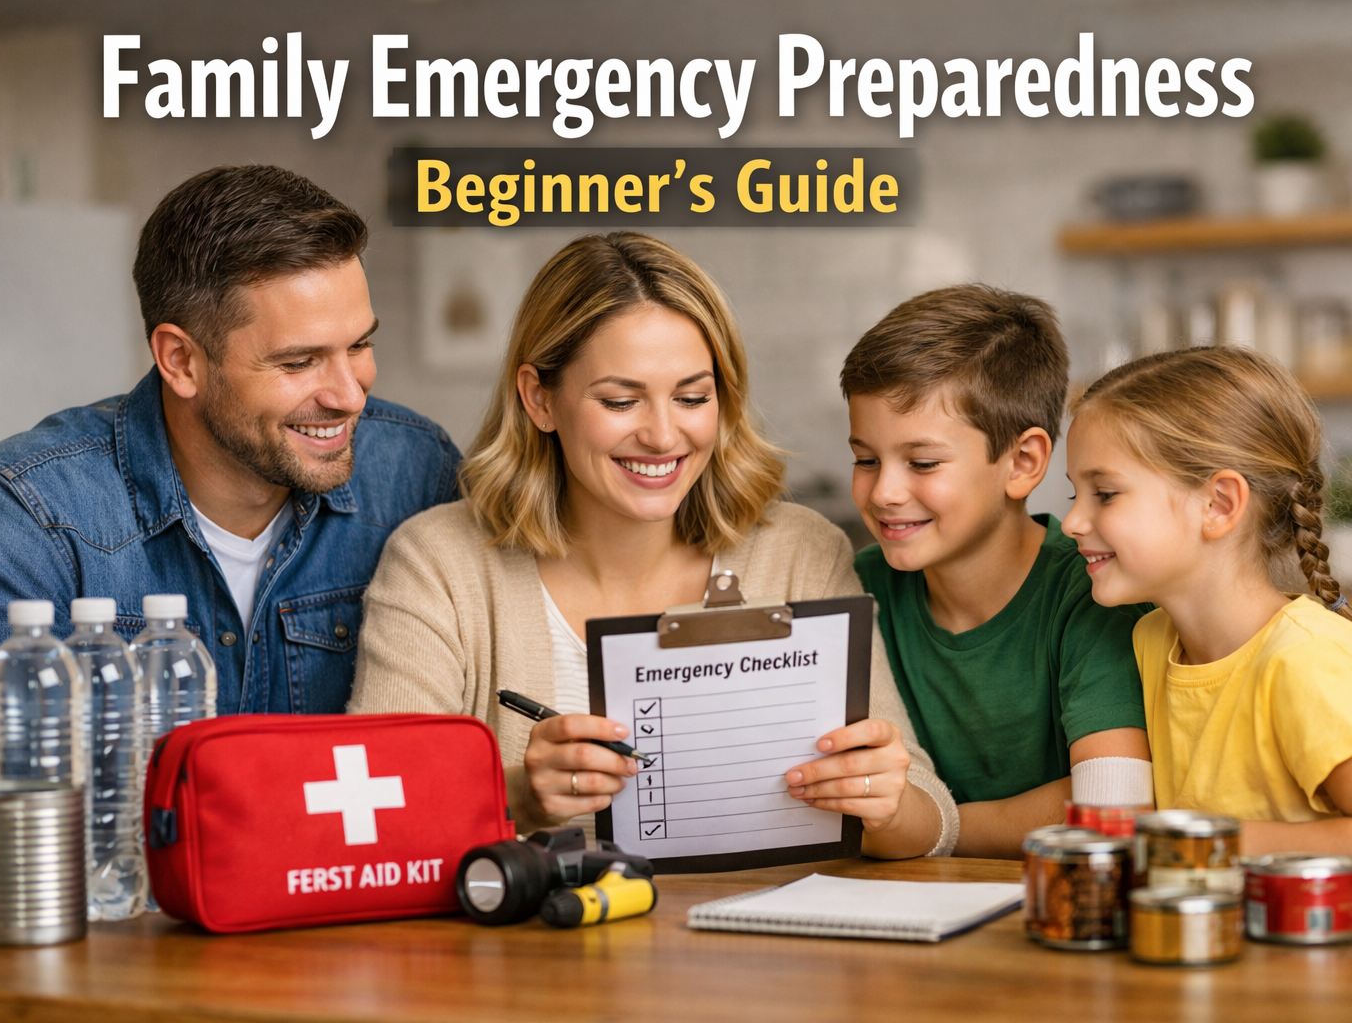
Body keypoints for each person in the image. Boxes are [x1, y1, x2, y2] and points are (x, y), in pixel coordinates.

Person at [349, 231, 958, 855]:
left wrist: (885, 802)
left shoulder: (801, 553)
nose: (664, 435)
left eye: (693, 397)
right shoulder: (439, 564)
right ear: (539, 399)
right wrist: (518, 797)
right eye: (620, 400)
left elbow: (930, 813)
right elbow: (374, 816)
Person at [0, 165, 462, 780]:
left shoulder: (418, 472)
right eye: (300, 361)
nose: (350, 396)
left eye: (358, 346)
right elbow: (0, 815)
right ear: (181, 361)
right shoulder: (24, 515)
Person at [1063, 346, 1352, 901]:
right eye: (1073, 492)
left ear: (1219, 505)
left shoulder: (1303, 658)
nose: (1072, 521)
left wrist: (1185, 842)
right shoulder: (1152, 640)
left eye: (1105, 494)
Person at [841, 285, 1152, 859]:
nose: (883, 492)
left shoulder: (1094, 595)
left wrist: (925, 826)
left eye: (923, 463)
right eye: (865, 459)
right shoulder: (853, 588)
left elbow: (1112, 807)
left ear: (1023, 463)